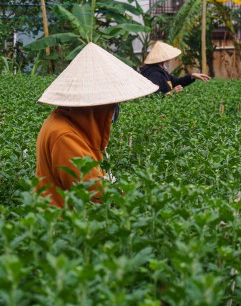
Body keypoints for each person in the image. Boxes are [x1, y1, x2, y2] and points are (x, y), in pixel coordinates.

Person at [35, 42, 158, 208]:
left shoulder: (70, 124)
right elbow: (97, 194)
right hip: (61, 227)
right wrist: (142, 198)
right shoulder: (64, 136)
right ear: (97, 105)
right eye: (111, 105)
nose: (114, 110)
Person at [140, 41, 210, 95]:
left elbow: (176, 82)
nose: (169, 61)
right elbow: (152, 96)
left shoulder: (162, 72)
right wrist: (171, 93)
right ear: (164, 60)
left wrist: (192, 76)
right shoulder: (155, 74)